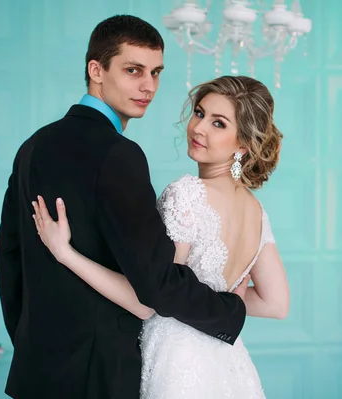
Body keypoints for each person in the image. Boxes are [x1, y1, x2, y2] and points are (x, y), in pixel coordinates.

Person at [0, 15, 248, 399]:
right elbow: (156, 284)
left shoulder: (33, 146)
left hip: (38, 373)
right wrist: (230, 311)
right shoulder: (118, 155)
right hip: (99, 377)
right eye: (133, 70)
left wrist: (36, 345)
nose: (149, 86)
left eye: (156, 72)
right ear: (96, 70)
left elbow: (8, 260)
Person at [31, 75, 290, 398]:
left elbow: (146, 302)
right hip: (227, 363)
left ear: (243, 145)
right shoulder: (257, 211)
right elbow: (275, 303)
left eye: (219, 123)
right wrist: (223, 298)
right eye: (200, 113)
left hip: (176, 363)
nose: (199, 128)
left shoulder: (187, 194)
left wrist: (65, 253)